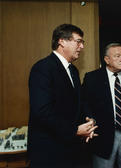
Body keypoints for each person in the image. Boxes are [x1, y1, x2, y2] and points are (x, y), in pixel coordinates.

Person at [28, 24, 97, 168]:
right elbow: (42, 112)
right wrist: (75, 130)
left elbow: (80, 102)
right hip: (49, 153)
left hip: (71, 151)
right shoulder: (42, 69)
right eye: (78, 41)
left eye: (82, 42)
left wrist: (88, 121)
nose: (82, 47)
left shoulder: (73, 70)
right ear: (62, 41)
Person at [81, 43, 121, 168]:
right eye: (117, 56)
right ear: (107, 59)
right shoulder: (92, 78)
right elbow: (84, 103)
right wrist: (90, 119)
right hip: (103, 136)